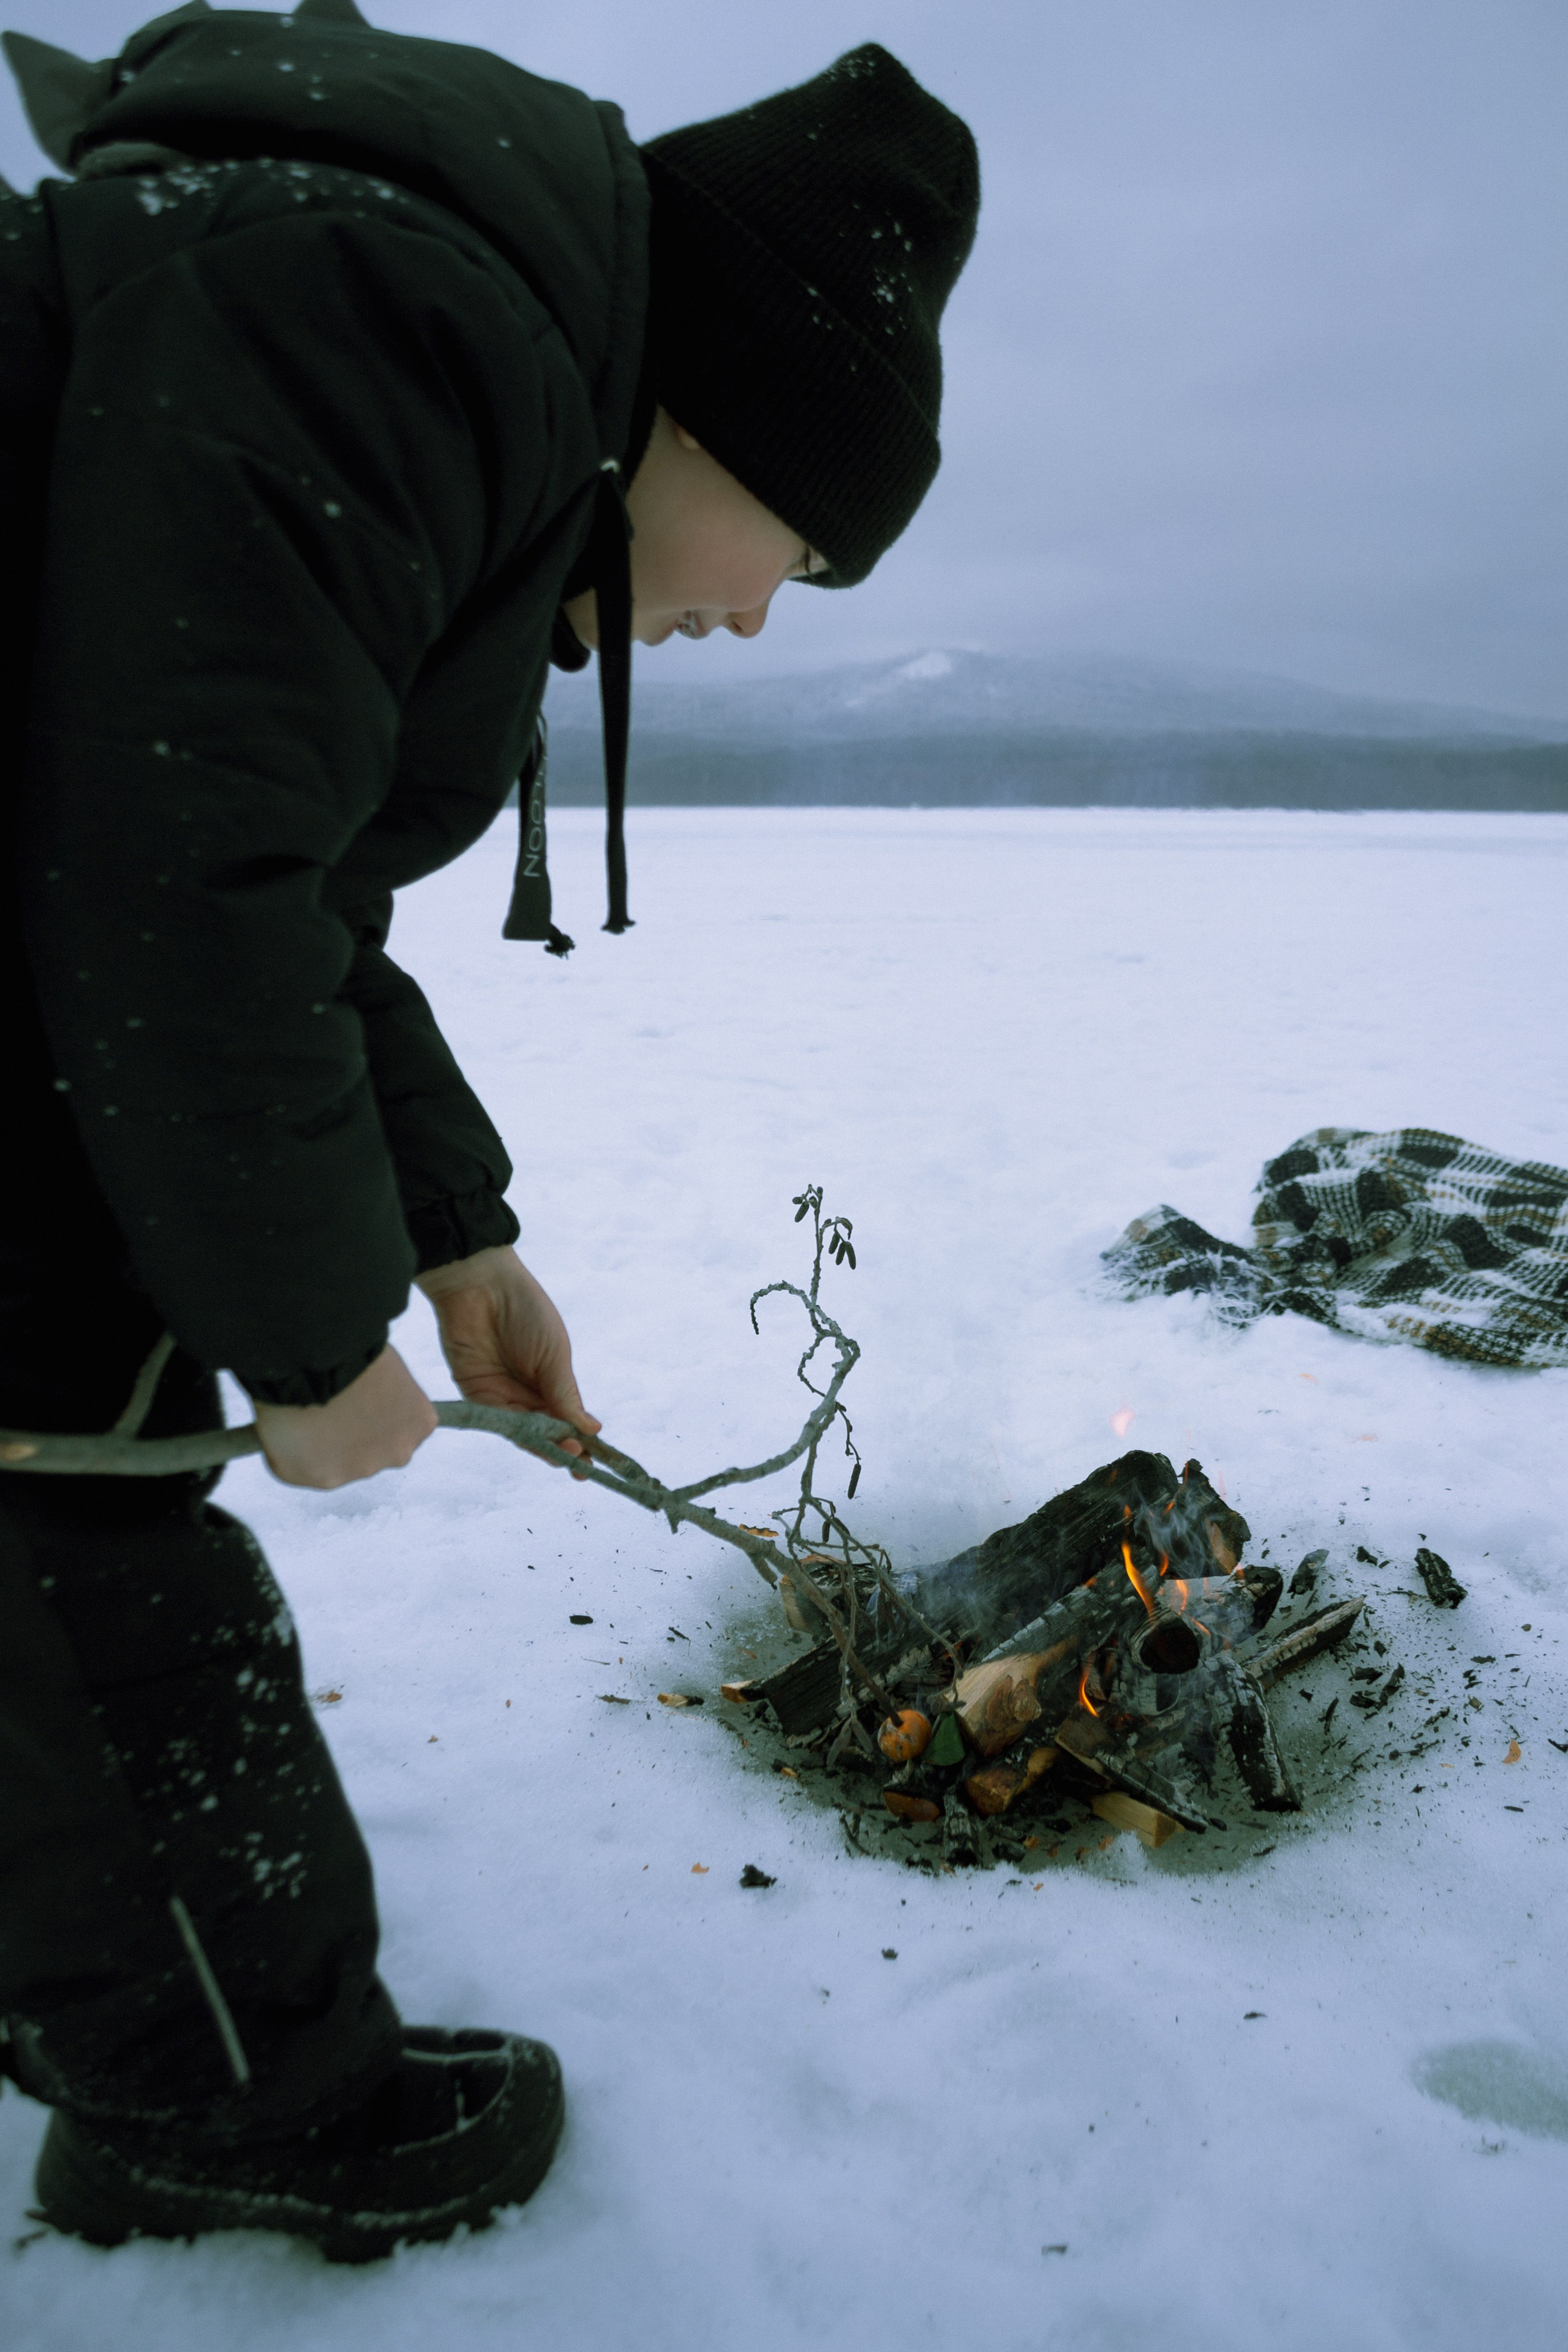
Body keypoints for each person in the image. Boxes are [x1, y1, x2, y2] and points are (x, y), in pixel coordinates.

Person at [0, 0, 978, 2257]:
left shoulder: (420, 320)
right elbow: (174, 877)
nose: (754, 612)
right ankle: (222, 2091)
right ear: (727, 410)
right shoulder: (396, 315)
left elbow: (291, 882)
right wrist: (303, 1340)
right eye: (805, 557)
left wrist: (447, 1241)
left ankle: (91, 1987)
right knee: (79, 1433)